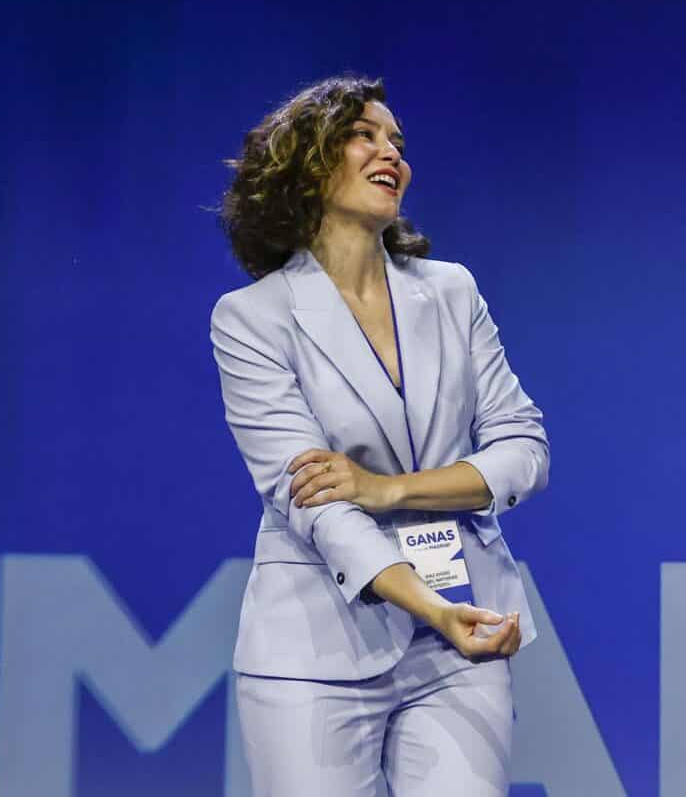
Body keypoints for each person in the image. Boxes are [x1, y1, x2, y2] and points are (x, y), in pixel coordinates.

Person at [211, 75, 548, 797]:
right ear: (306, 162)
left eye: (397, 141)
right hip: (316, 653)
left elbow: (523, 447)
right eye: (364, 134)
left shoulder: (452, 290)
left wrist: (389, 489)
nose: (390, 151)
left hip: (462, 638)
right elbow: (316, 503)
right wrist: (432, 606)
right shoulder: (251, 318)